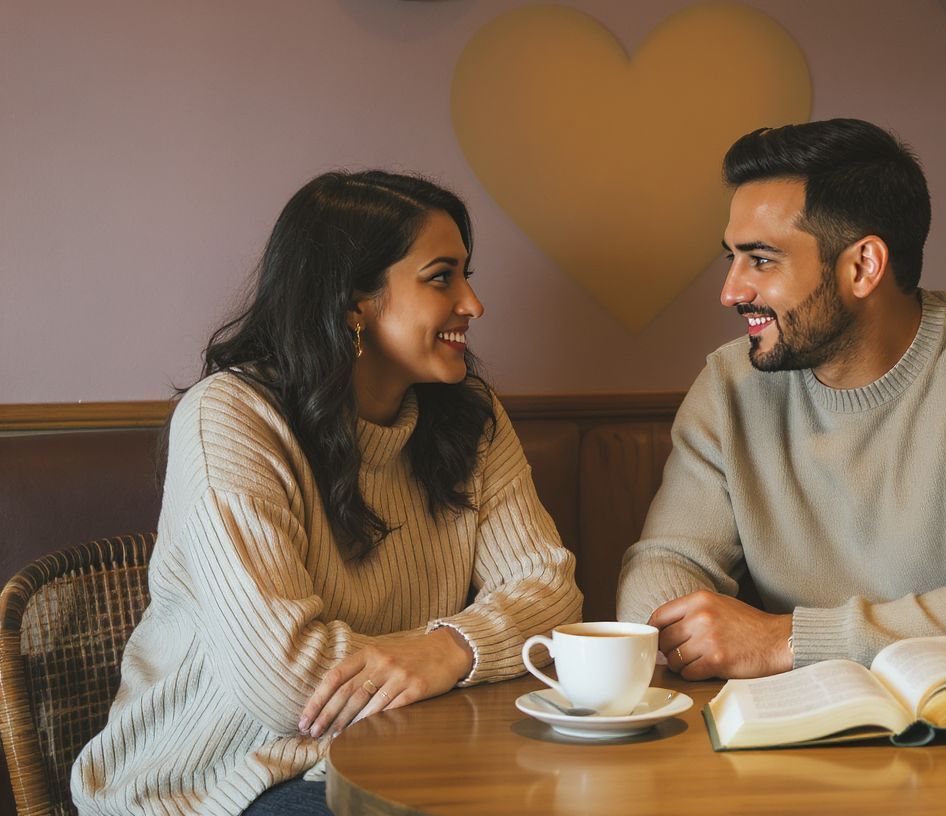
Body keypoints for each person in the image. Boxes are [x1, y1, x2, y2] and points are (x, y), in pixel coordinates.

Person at [71, 171, 581, 815]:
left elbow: (552, 594)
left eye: (466, 275)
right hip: (215, 781)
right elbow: (287, 681)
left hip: (409, 750)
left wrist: (449, 648)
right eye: (441, 278)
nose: (473, 304)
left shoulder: (470, 417)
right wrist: (444, 656)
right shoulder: (231, 416)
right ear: (352, 302)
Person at [617, 118, 946, 680]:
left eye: (762, 260)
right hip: (793, 713)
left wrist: (785, 640)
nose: (731, 292)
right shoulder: (730, 385)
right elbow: (665, 563)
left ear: (863, 266)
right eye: (732, 258)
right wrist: (693, 632)